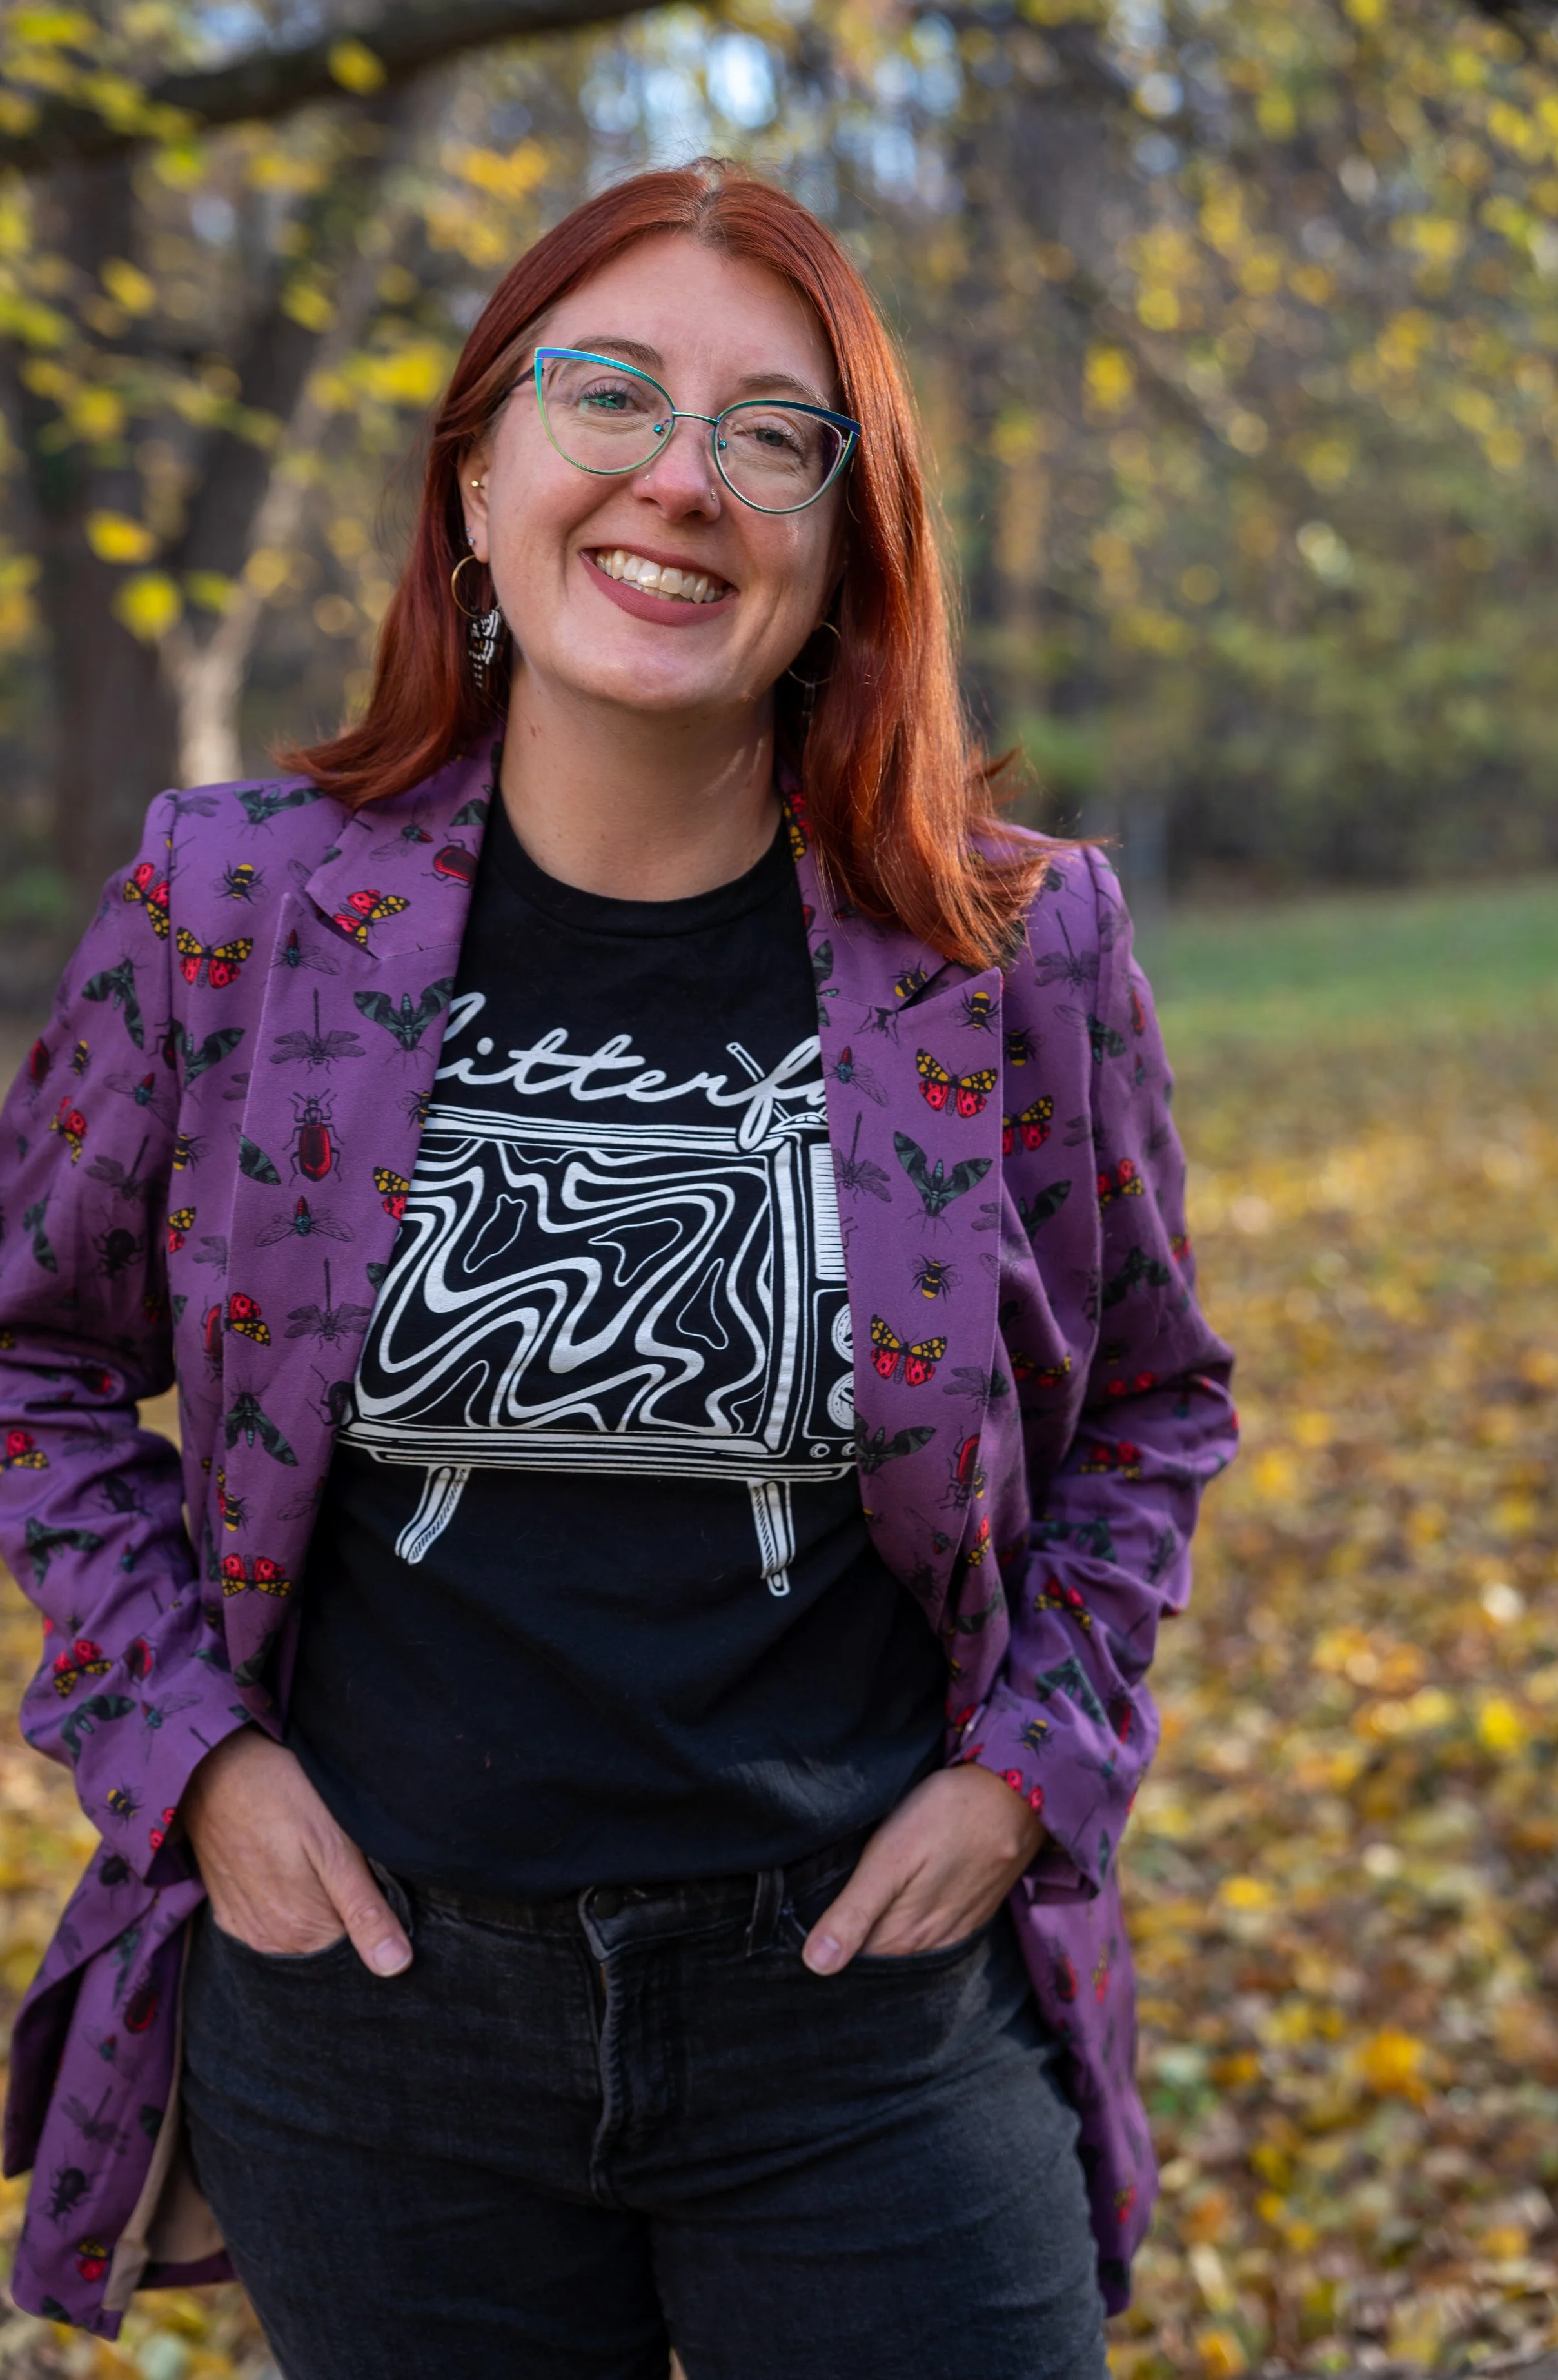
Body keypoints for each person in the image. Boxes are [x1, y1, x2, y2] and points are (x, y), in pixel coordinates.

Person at [0, 160, 1236, 2379]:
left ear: (847, 548)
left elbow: (1152, 1398)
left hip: (863, 2025)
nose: (685, 476)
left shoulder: (1006, 943)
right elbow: (31, 1355)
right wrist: (185, 1754)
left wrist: (1027, 1774)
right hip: (369, 2028)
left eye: (775, 432)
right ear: (476, 474)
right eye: (608, 394)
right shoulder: (241, 905)